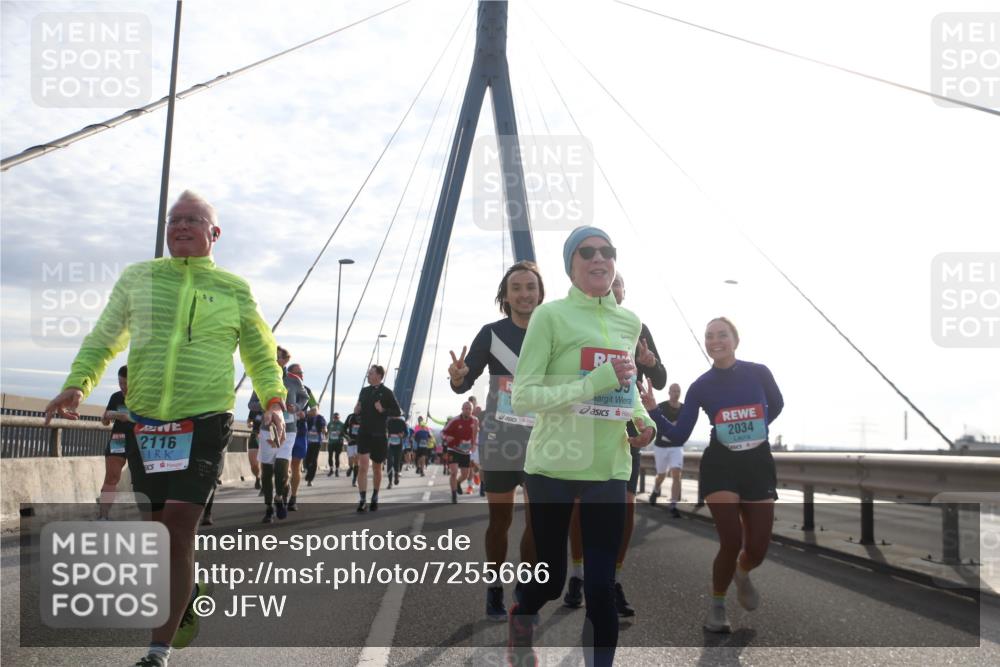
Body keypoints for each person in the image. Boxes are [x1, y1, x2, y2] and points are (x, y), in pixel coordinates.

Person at [44, 190, 287, 667]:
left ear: (214, 233)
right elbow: (104, 338)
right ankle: (186, 586)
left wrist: (274, 401)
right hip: (147, 423)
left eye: (192, 219)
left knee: (178, 526)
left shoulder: (234, 289)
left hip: (205, 419)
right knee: (158, 535)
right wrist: (77, 384)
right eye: (174, 220)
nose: (180, 226)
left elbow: (260, 353)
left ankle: (157, 651)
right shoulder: (139, 278)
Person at [508, 226, 655, 667]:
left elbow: (625, 390)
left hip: (607, 467)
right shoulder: (550, 317)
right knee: (550, 580)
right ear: (570, 266)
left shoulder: (630, 322)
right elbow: (524, 397)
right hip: (553, 465)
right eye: (587, 252)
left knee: (600, 587)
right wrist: (592, 383)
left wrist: (644, 423)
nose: (599, 258)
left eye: (607, 251)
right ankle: (522, 615)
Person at [644, 317, 783, 634]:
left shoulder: (759, 372)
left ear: (735, 339)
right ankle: (717, 606)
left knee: (757, 549)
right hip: (721, 465)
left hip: (758, 464)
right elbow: (679, 435)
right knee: (731, 539)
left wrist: (754, 428)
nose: (715, 340)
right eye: (709, 336)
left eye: (722, 334)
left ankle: (742, 573)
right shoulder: (700, 386)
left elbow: (776, 405)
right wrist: (653, 410)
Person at [563, 270, 667, 618]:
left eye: (618, 282)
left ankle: (613, 581)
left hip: (624, 428)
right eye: (608, 281)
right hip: (584, 428)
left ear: (623, 291)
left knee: (625, 512)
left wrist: (651, 363)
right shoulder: (575, 323)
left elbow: (661, 379)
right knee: (580, 509)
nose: (612, 286)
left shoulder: (637, 328)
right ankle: (577, 575)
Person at [446, 260, 544, 619]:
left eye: (530, 287)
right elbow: (464, 381)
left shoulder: (553, 331)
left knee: (538, 524)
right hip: (500, 440)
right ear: (505, 295)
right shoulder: (490, 333)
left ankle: (526, 589)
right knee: (500, 520)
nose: (524, 294)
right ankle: (494, 587)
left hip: (542, 440)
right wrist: (458, 377)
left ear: (540, 293)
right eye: (516, 288)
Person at [250, 346, 309, 523]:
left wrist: (296, 407)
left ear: (285, 360)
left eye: (278, 357)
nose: (275, 360)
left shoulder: (293, 380)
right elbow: (251, 404)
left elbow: (305, 397)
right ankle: (269, 507)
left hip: (289, 430)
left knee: (281, 468)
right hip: (268, 430)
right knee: (267, 472)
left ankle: (280, 497)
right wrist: (267, 406)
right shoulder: (263, 379)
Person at [355, 365, 401, 512]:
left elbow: (398, 412)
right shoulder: (364, 391)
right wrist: (357, 410)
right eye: (368, 373)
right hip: (364, 433)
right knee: (362, 467)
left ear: (379, 376)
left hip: (379, 435)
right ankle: (362, 500)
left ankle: (375, 496)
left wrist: (383, 410)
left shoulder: (387, 392)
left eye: (371, 373)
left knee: (376, 468)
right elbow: (358, 409)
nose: (368, 375)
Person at [97, 365, 137, 520]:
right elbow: (105, 422)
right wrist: (107, 416)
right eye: (120, 383)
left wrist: (128, 417)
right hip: (119, 438)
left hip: (138, 439)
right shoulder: (116, 397)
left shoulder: (142, 398)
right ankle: (103, 516)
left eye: (126, 383)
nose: (123, 387)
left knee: (140, 481)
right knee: (111, 477)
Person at [650, 382, 685, 518]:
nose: (676, 393)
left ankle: (673, 505)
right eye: (673, 391)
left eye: (678, 391)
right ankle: (656, 489)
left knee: (676, 474)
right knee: (661, 475)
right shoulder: (662, 406)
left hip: (676, 446)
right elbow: (654, 421)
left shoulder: (684, 409)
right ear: (669, 392)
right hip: (661, 446)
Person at [285, 364, 316, 511]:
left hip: (300, 431)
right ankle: (283, 489)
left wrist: (305, 413)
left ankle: (293, 497)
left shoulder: (307, 390)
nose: (301, 376)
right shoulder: (283, 387)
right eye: (298, 373)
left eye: (302, 373)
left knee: (296, 464)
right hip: (284, 430)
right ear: (290, 374)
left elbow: (315, 409)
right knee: (284, 464)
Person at [440, 402, 478, 504]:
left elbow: (474, 433)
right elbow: (442, 432)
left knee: (465, 475)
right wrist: (446, 437)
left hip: (466, 451)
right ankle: (454, 495)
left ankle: (458, 483)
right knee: (454, 472)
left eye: (470, 409)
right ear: (462, 409)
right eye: (466, 408)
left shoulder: (475, 420)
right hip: (453, 449)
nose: (468, 411)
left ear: (472, 410)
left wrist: (474, 444)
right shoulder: (455, 420)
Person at [304, 407, 327, 486]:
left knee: (314, 460)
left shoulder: (320, 418)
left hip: (317, 442)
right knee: (307, 460)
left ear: (317, 412)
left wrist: (325, 429)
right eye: (312, 410)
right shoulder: (307, 418)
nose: (313, 412)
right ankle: (308, 472)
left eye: (315, 411)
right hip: (308, 442)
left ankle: (310, 479)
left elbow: (324, 426)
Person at [386, 414, 407, 488]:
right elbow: (384, 430)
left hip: (398, 446)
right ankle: (390, 482)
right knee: (389, 462)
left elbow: (406, 433)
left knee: (396, 462)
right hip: (390, 446)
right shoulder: (388, 422)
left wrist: (402, 435)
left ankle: (396, 476)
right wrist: (387, 434)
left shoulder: (402, 422)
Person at [246, 408, 262, 491]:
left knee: (268, 463)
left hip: (269, 434)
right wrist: (250, 423)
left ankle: (266, 481)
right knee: (253, 464)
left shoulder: (272, 406)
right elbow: (249, 420)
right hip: (255, 435)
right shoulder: (254, 408)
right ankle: (257, 477)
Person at [344, 410, 361, 486]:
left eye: (359, 406)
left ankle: (354, 479)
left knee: (357, 461)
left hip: (359, 443)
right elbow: (344, 429)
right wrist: (347, 437)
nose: (357, 408)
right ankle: (350, 468)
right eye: (356, 406)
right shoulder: (350, 417)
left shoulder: (365, 416)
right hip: (351, 442)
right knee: (350, 461)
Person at [327, 412, 344, 476]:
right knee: (330, 456)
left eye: (337, 417)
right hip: (331, 442)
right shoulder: (330, 423)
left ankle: (337, 470)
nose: (336, 418)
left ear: (339, 418)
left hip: (338, 443)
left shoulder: (342, 424)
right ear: (333, 417)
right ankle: (331, 469)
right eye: (334, 417)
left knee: (337, 456)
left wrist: (341, 433)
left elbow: (345, 433)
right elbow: (327, 431)